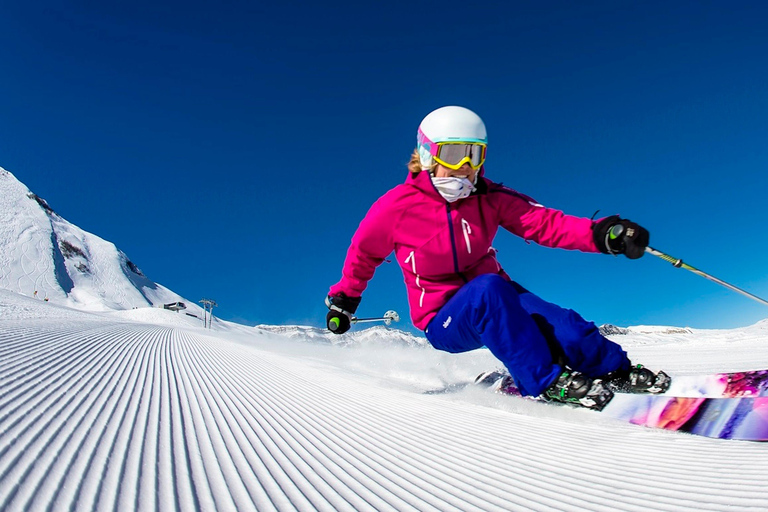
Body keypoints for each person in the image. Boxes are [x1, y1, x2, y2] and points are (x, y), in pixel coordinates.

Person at [325, 105, 668, 409]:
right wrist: (345, 299)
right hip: (442, 317)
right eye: (454, 154)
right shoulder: (395, 208)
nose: (464, 167)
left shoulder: (489, 197)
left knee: (567, 330)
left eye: (474, 155)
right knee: (489, 290)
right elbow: (363, 252)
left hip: (499, 295)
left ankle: (617, 372)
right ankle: (545, 383)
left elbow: (543, 222)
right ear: (428, 155)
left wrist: (601, 234)